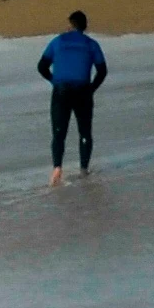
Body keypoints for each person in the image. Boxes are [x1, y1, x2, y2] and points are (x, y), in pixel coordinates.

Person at [38, 10, 109, 186]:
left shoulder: (58, 41)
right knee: (84, 132)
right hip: (83, 90)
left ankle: (57, 169)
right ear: (85, 26)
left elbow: (41, 66)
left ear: (70, 25)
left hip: (61, 90)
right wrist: (91, 89)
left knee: (59, 133)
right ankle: (84, 170)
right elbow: (102, 71)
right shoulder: (92, 44)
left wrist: (54, 81)